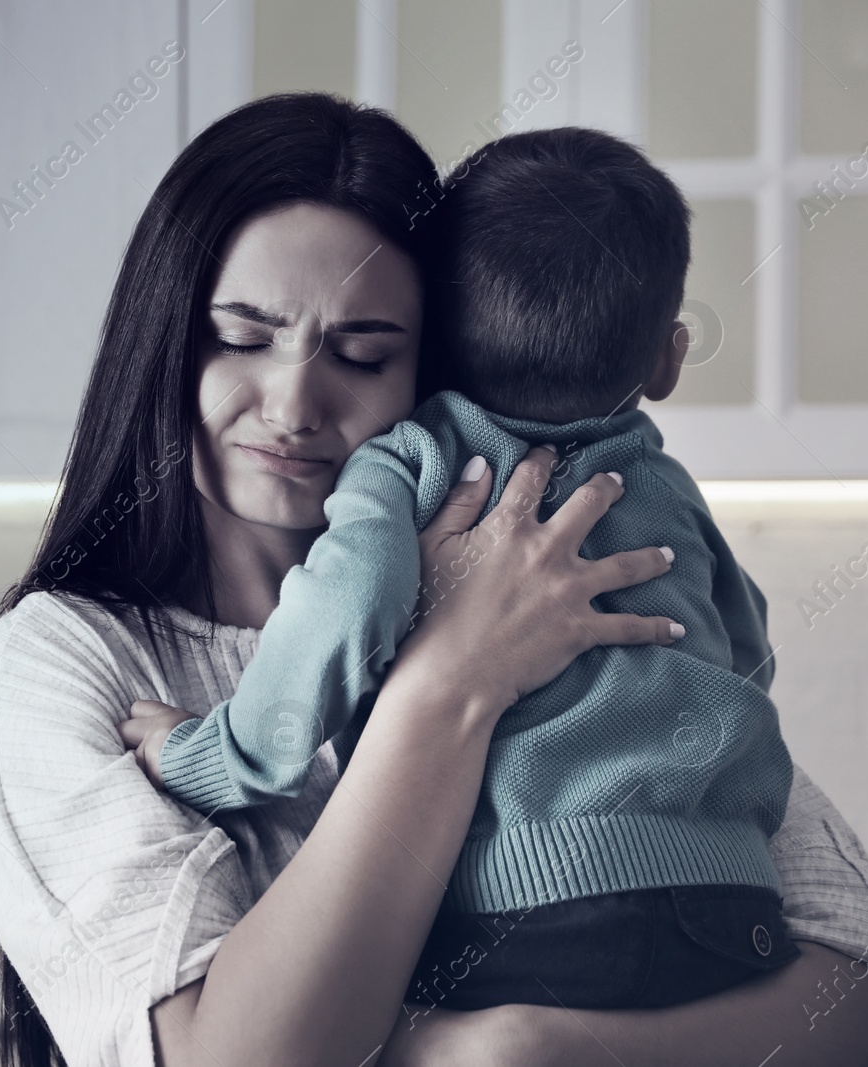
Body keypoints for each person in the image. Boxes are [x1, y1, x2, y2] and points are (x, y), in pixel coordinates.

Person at [0, 93, 868, 1067]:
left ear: (441, 364)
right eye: (239, 338)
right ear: (162, 340)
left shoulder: (554, 561)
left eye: (364, 352)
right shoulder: (59, 660)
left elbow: (863, 999)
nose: (292, 404)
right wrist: (448, 673)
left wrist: (526, 1045)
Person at [130, 127, 798, 1012]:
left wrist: (207, 752)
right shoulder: (666, 487)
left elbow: (346, 606)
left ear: (431, 342)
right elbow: (744, 649)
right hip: (731, 902)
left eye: (364, 353)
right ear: (669, 359)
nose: (295, 406)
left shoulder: (413, 464)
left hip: (528, 908)